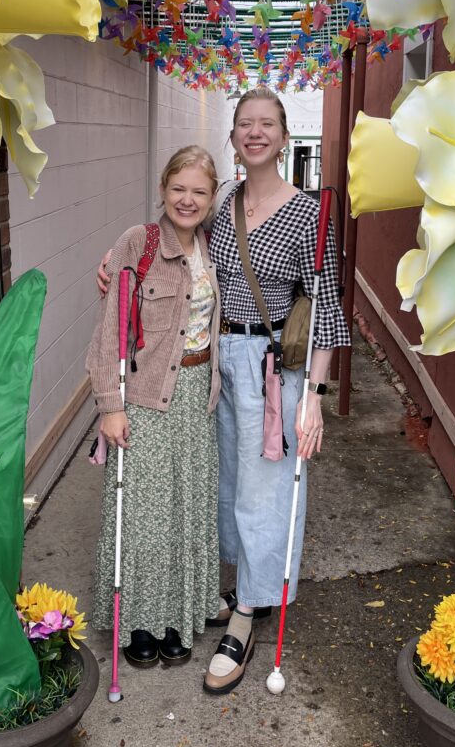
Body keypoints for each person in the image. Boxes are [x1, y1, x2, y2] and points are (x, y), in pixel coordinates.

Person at [97, 88, 349, 694]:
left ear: (285, 137)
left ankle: (247, 616)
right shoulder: (224, 202)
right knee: (227, 485)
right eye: (245, 124)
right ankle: (237, 584)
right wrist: (117, 257)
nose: (255, 133)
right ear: (233, 137)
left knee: (265, 493)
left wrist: (312, 395)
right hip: (214, 364)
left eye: (268, 124)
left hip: (269, 367)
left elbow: (324, 312)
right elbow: (169, 245)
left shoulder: (308, 214)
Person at [86, 145, 221, 669]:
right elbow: (109, 334)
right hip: (143, 398)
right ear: (163, 189)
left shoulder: (212, 248)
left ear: (212, 199)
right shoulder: (136, 244)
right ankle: (139, 621)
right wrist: (109, 406)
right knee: (140, 512)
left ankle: (176, 618)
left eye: (199, 191)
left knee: (185, 509)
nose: (188, 200)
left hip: (196, 395)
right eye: (178, 188)